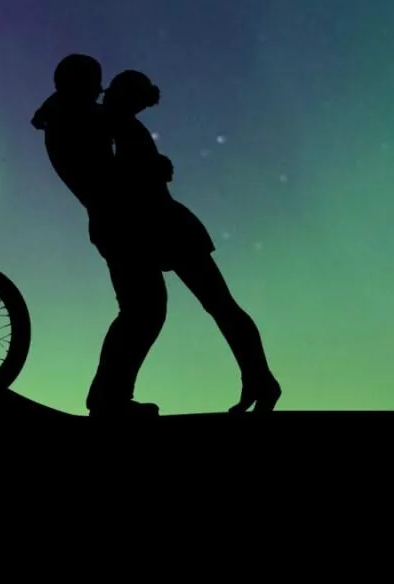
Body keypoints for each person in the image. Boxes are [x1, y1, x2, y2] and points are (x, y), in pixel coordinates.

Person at [33, 58, 281, 417]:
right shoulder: (83, 118)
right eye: (99, 85)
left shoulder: (96, 119)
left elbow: (119, 171)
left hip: (150, 227)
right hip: (135, 228)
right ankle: (111, 397)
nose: (101, 92)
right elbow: (108, 173)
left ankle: (256, 379)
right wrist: (152, 167)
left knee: (167, 309)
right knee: (166, 310)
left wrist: (150, 167)